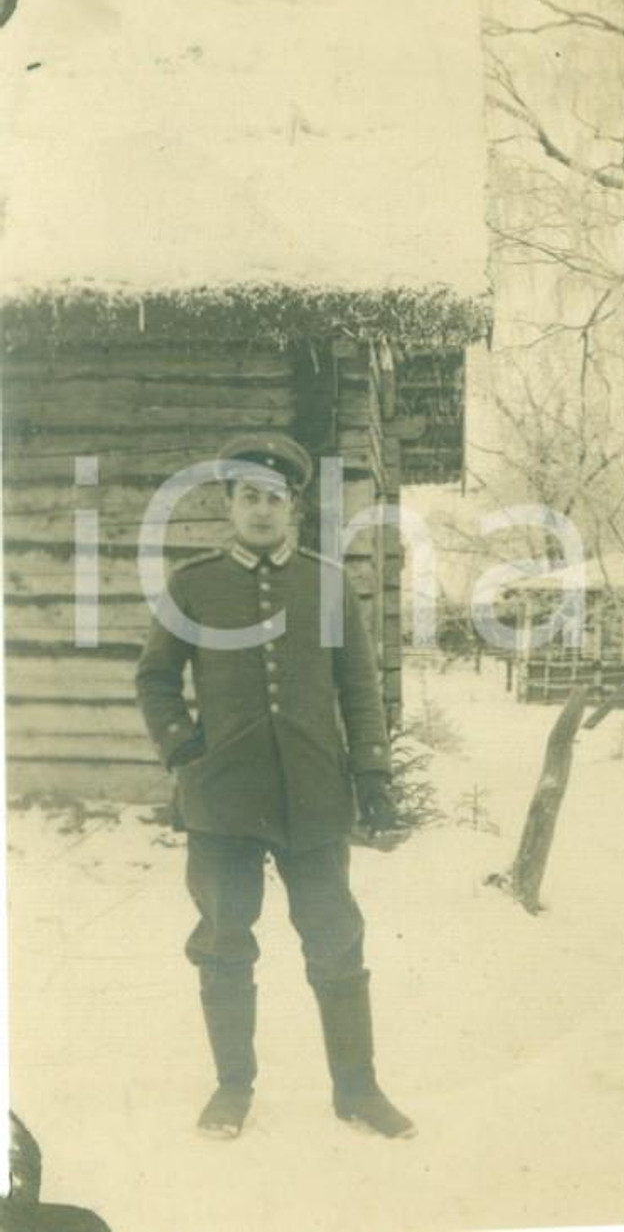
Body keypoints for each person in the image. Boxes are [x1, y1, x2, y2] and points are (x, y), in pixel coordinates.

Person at [135, 432, 414, 1140]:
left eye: (275, 497)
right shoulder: (192, 584)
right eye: (248, 496)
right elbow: (156, 678)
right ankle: (232, 1088)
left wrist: (372, 773)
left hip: (315, 795)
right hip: (223, 799)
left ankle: (357, 1088)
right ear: (229, 503)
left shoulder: (325, 583)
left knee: (336, 938)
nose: (263, 509)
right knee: (225, 936)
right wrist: (182, 746)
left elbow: (358, 684)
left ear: (293, 506)